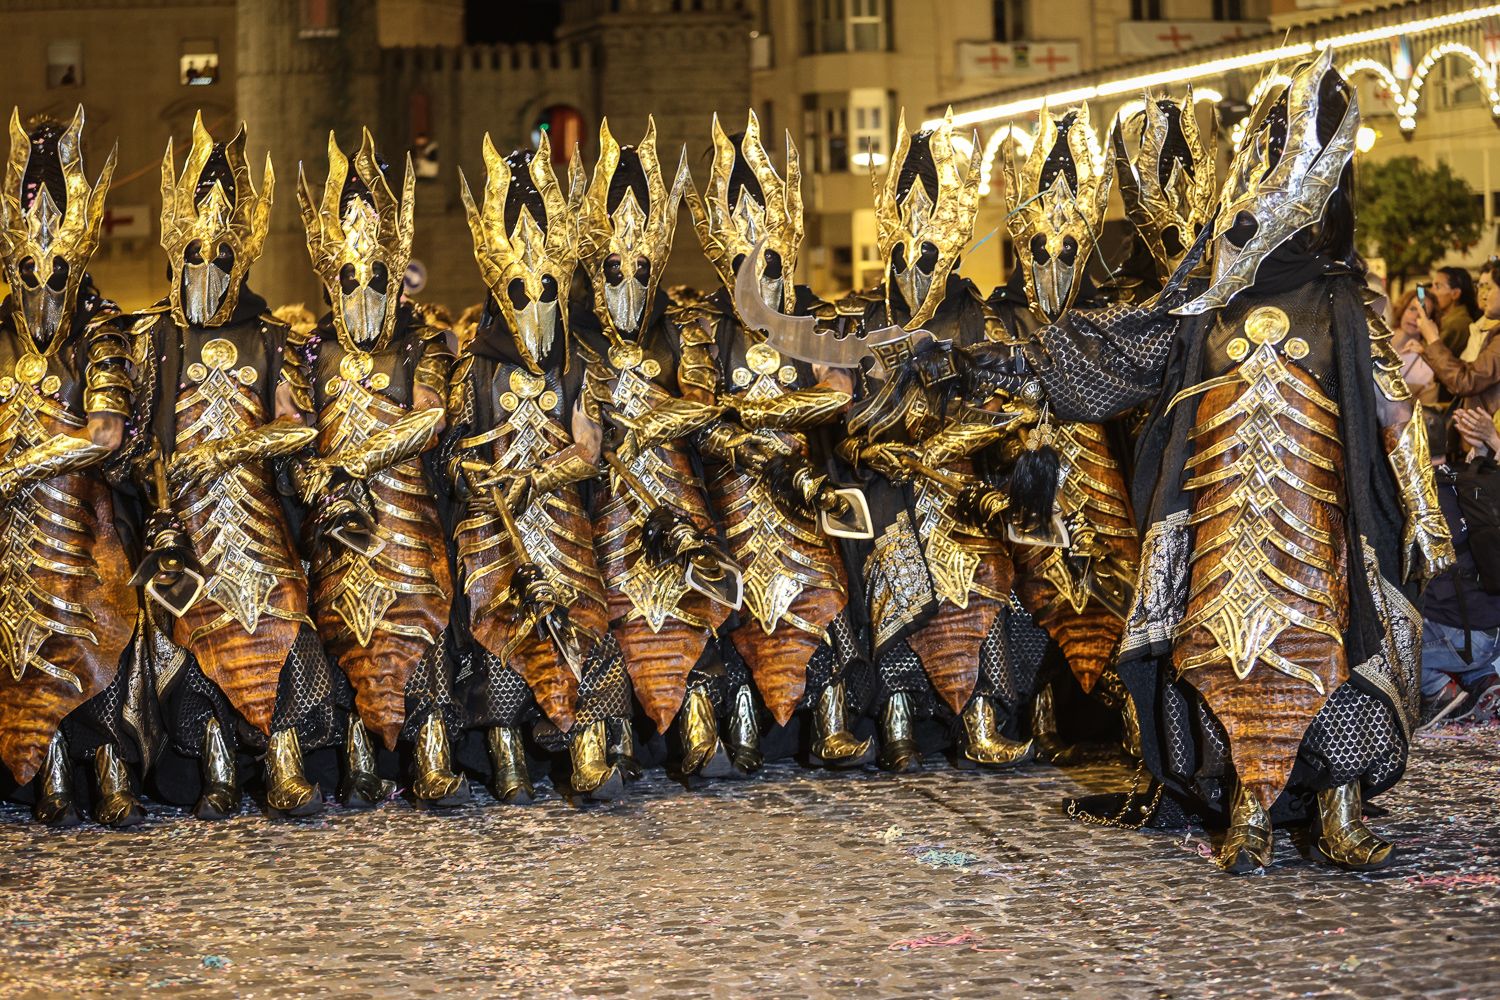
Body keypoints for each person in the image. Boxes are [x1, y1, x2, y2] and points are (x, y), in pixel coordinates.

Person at [1015, 54, 1452, 872]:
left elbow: (1396, 415)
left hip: (1325, 524)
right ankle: (1246, 813)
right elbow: (1123, 361)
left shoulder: (1343, 300)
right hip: (1224, 532)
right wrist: (1025, 367)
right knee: (1224, 659)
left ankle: (1338, 810)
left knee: (1337, 660)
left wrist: (1424, 515)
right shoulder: (1206, 305)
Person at [118, 115, 341, 820]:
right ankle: (212, 762)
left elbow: (297, 427)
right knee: (186, 628)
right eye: (194, 254)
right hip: (182, 518)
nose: (206, 271)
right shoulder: (152, 333)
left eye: (221, 256)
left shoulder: (271, 334)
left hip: (255, 511)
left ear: (239, 258)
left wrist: (232, 450)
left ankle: (284, 759)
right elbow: (129, 436)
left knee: (281, 616)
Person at [679, 111, 873, 772]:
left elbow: (836, 393)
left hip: (794, 486)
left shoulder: (811, 322)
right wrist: (729, 425)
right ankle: (738, 731)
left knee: (824, 592)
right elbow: (699, 406)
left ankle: (832, 723)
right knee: (732, 604)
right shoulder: (704, 329)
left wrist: (765, 414)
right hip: (732, 489)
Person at [446, 132, 632, 802]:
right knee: (496, 635)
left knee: (581, 624)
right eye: (521, 291)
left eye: (546, 288)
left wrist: (538, 479)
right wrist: (471, 476)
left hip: (559, 523)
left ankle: (588, 752)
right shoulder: (475, 368)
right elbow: (455, 445)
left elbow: (590, 449)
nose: (534, 304)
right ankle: (506, 759)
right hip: (492, 528)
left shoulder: (580, 361)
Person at [286, 128, 469, 808]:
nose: (363, 290)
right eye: (349, 277)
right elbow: (297, 425)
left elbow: (431, 417)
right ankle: (358, 764)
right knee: (343, 636)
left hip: (408, 516)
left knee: (418, 633)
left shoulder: (420, 341)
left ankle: (431, 758)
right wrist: (311, 469)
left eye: (376, 277)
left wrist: (355, 460)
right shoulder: (311, 351)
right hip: (337, 524)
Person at [570, 117, 740, 781]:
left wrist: (647, 423)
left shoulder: (680, 326)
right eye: (615, 266)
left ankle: (703, 726)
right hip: (604, 494)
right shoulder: (576, 335)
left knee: (695, 595)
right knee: (610, 610)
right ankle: (607, 738)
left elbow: (699, 403)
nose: (629, 277)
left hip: (671, 487)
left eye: (641, 265)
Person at [0, 108, 144, 827]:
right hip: (5, 534)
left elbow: (106, 434)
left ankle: (107, 767)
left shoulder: (100, 336)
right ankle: (40, 775)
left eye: (58, 268)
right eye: (29, 267)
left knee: (99, 631)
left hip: (84, 523)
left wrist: (20, 469)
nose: (43, 282)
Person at [1417, 407, 1500, 728]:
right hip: (1492, 631)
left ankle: (1439, 692)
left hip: (1466, 639)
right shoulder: (1475, 480)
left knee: (1380, 643)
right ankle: (1484, 682)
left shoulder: (1421, 502)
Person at [1414, 263, 1500, 413]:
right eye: (1480, 286)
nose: (1483, 294)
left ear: (1455, 294)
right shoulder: (1481, 326)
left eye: (1489, 287)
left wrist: (1433, 340)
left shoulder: (1459, 324)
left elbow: (1465, 380)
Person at [1390, 287, 1438, 406]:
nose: (1415, 317)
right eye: (1412, 309)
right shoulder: (1377, 338)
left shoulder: (1425, 362)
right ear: (1402, 309)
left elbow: (1426, 410)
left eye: (1423, 314)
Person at [1430, 266, 1480, 359]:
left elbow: (1434, 357)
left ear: (1455, 294)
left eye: (1437, 286)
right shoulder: (1444, 319)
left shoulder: (1458, 324)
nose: (1431, 291)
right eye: (1432, 286)